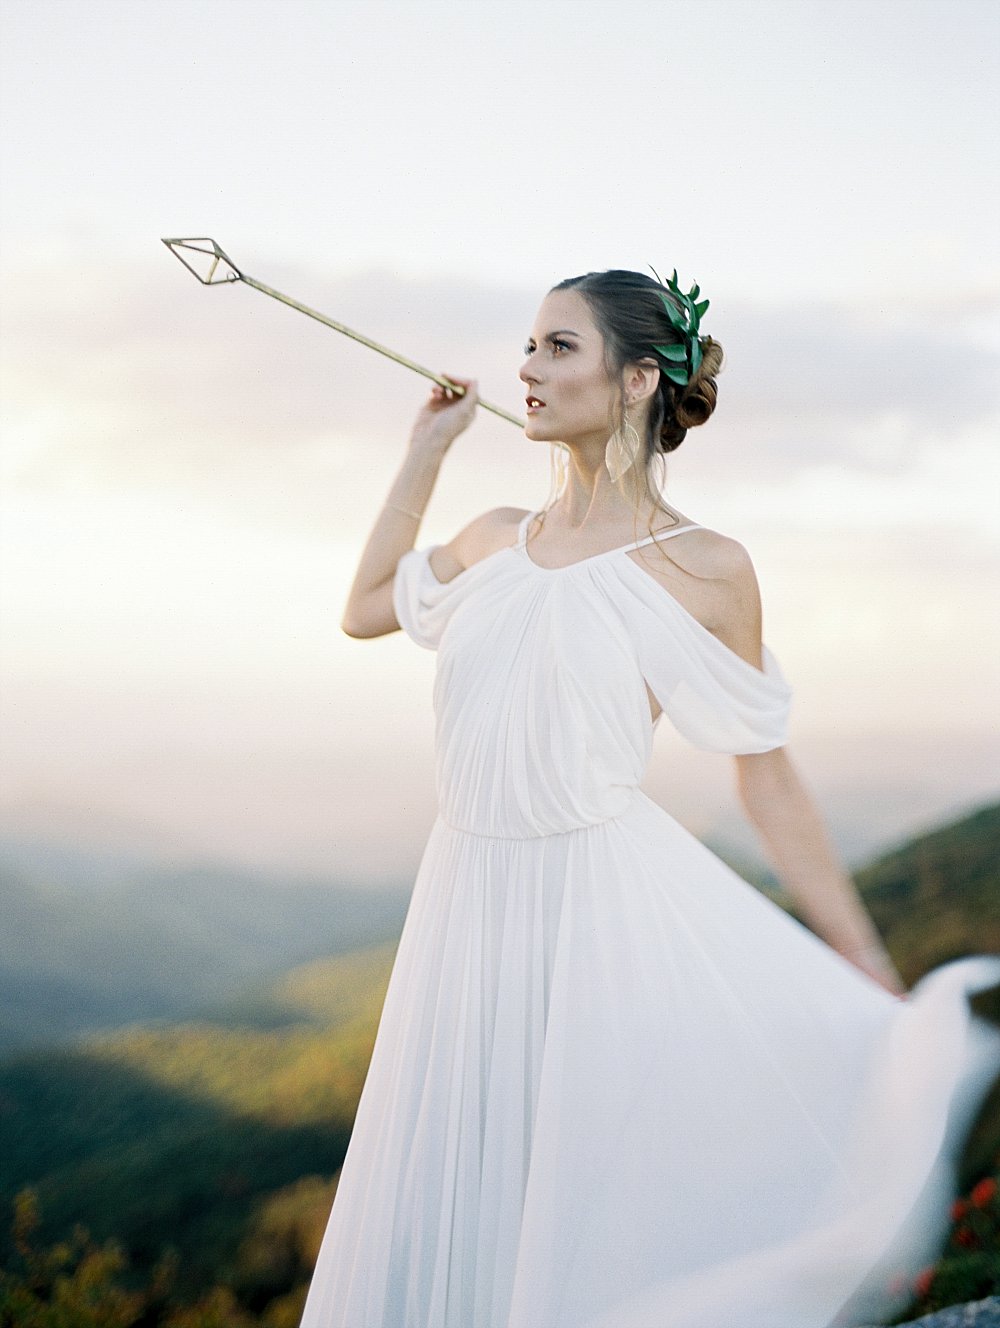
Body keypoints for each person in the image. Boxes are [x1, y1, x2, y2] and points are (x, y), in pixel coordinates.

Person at [300, 270, 1000, 1328]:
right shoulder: (494, 535)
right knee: (461, 1187)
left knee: (565, 1209)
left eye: (557, 347)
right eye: (528, 345)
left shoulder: (705, 567)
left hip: (596, 918)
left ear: (635, 378)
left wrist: (856, 960)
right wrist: (425, 451)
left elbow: (763, 767)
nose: (527, 369)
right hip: (464, 909)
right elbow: (361, 610)